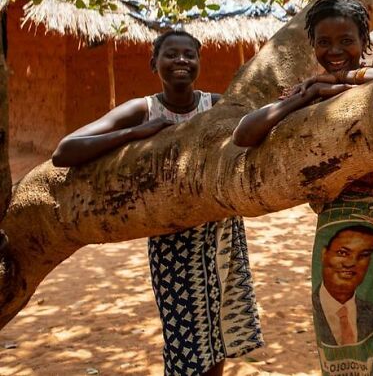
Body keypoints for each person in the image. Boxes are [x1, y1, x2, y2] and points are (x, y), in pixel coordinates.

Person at [233, 0, 373, 376]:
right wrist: (308, 95)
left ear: (363, 40)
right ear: (311, 44)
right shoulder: (306, 90)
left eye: (346, 40)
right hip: (335, 231)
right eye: (324, 42)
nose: (335, 51)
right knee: (341, 332)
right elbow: (244, 134)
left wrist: (339, 81)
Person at [52, 30, 263, 376]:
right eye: (171, 54)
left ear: (198, 63)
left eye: (189, 55)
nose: (181, 61)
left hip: (221, 233)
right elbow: (65, 151)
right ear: (154, 63)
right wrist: (135, 133)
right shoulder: (143, 109)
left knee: (218, 336)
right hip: (171, 240)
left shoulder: (218, 106)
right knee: (183, 339)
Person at [313, 225, 373, 347]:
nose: (350, 263)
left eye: (363, 255)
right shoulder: (303, 310)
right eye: (342, 253)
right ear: (324, 254)